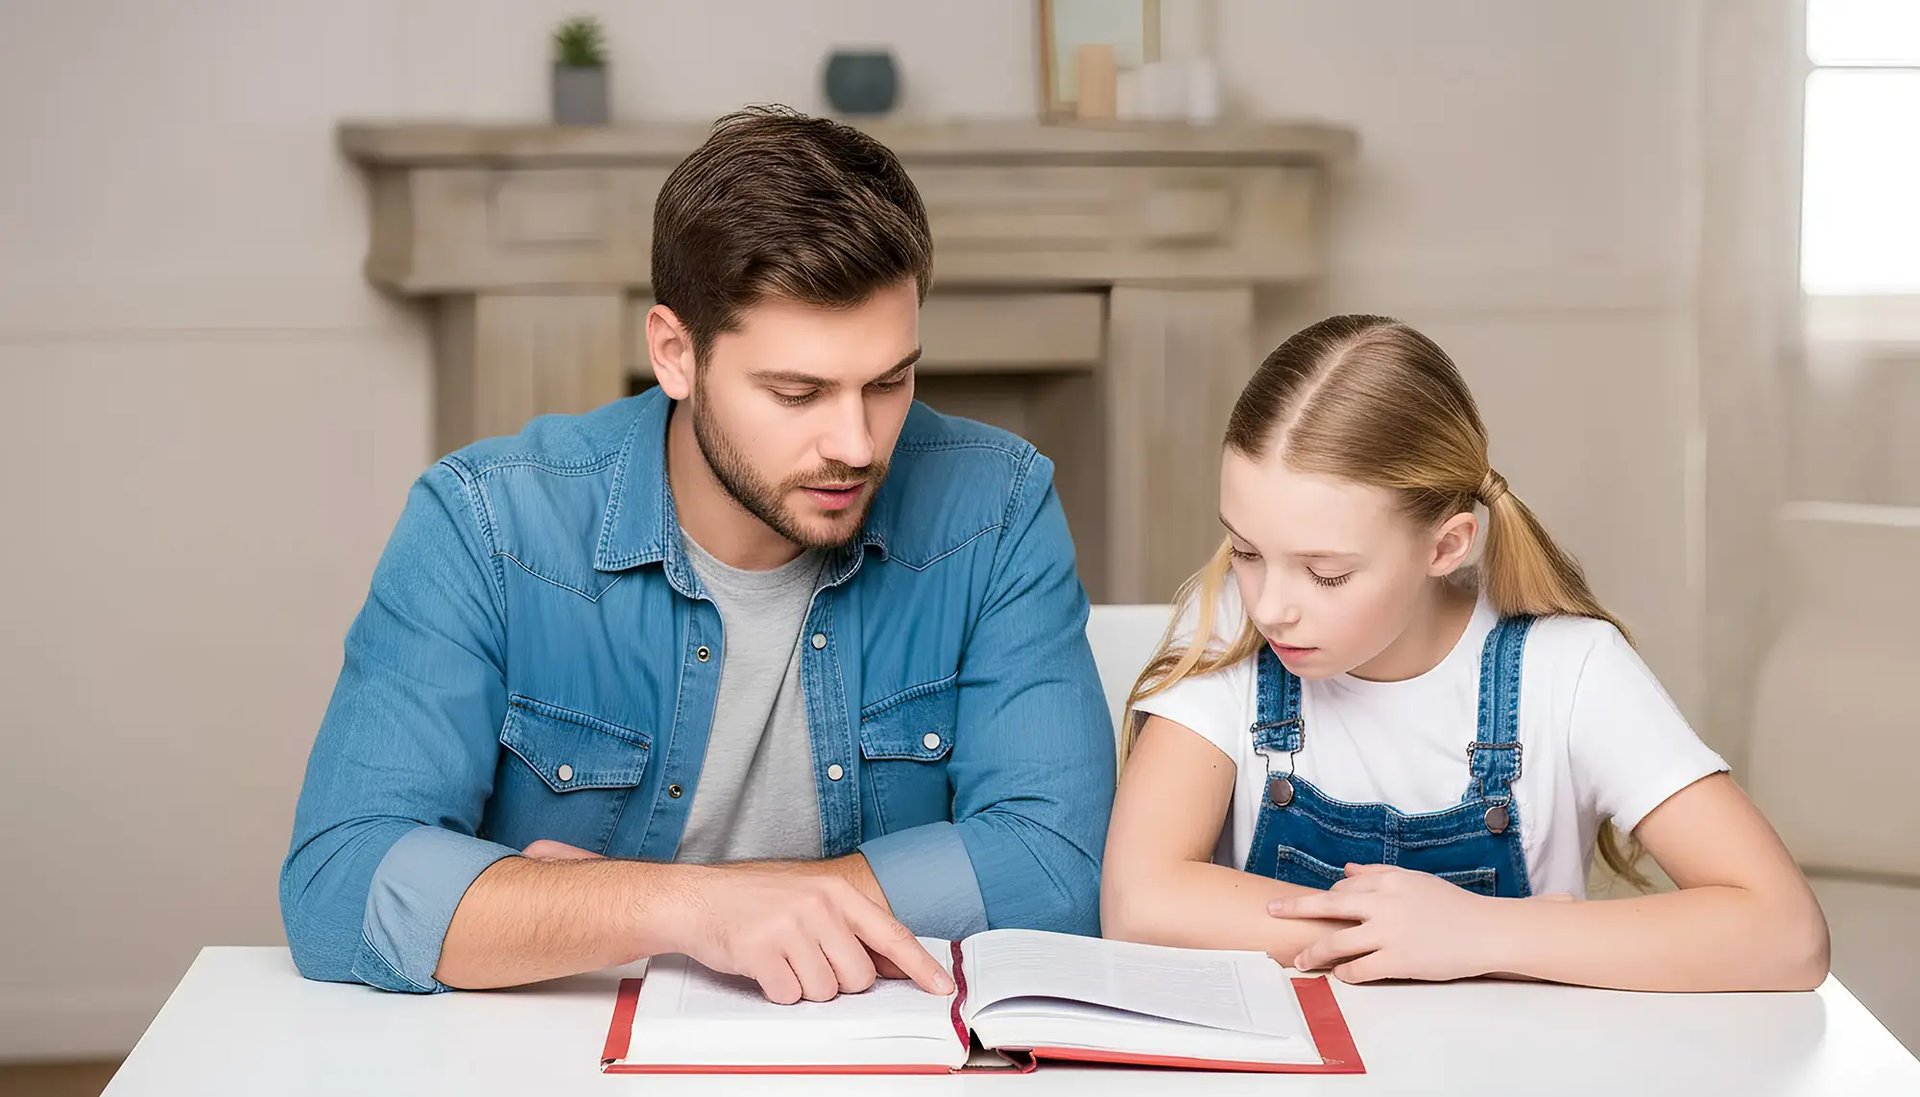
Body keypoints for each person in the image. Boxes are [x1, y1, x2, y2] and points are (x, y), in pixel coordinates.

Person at [281, 107, 1114, 1005]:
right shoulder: (486, 523)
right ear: (675, 354)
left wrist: (606, 902)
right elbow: (340, 881)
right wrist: (692, 908)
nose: (859, 442)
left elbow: (1058, 867)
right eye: (798, 392)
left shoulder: (997, 506)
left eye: (889, 380)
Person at [1101, 313, 1829, 991]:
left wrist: (1479, 931)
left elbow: (1786, 932)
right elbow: (1140, 899)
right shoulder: (1229, 628)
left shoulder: (1568, 669)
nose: (1269, 605)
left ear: (1445, 546)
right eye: (1249, 550)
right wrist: (1390, 930)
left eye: (1327, 572)